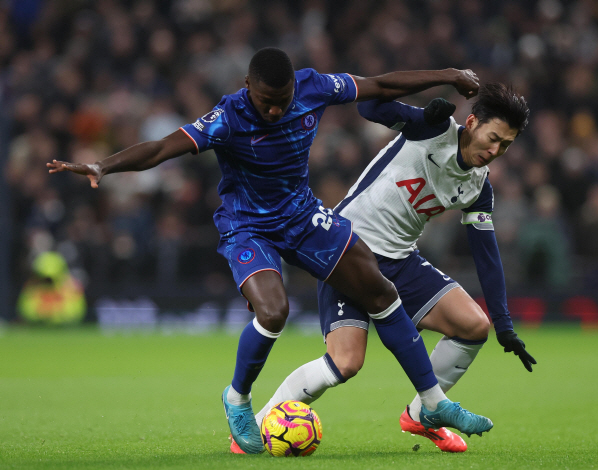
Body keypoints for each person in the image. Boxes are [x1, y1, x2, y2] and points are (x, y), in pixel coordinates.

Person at [48, 47, 492, 454]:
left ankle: (432, 403)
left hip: (302, 217)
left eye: (282, 99)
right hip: (247, 227)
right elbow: (165, 147)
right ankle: (237, 398)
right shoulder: (228, 116)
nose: (276, 108)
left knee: (380, 291)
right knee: (274, 311)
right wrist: (103, 165)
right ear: (247, 87)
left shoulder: (313, 87)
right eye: (266, 102)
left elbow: (380, 85)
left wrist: (449, 75)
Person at [255, 83, 536, 453]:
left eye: (506, 145)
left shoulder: (478, 188)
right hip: (346, 250)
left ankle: (422, 414)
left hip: (400, 260)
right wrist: (417, 113)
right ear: (472, 122)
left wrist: (503, 321)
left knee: (473, 326)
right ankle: (257, 425)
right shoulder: (433, 129)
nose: (495, 150)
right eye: (494, 138)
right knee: (346, 363)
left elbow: (486, 254)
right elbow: (368, 106)